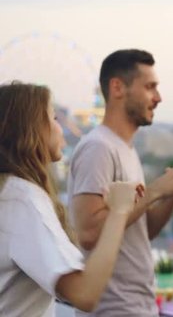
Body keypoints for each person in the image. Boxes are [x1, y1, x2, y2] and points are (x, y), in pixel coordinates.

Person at [67, 49, 173, 316]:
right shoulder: (98, 148)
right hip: (112, 308)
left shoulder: (126, 150)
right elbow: (89, 233)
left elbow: (142, 230)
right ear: (118, 87)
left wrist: (172, 191)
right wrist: (155, 190)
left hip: (139, 305)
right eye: (150, 87)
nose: (158, 97)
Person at [0, 82, 138, 316]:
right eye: (54, 118)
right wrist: (119, 211)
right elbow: (85, 293)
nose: (60, 127)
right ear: (31, 128)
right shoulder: (22, 200)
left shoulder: (8, 194)